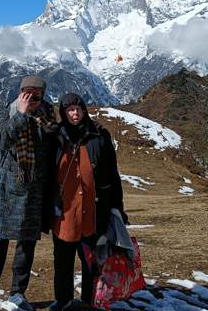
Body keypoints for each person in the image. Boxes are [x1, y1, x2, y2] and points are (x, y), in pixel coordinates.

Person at [0, 75, 58, 311]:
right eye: (28, 94)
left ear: (44, 95)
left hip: (35, 191)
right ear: (20, 93)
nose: (33, 100)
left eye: (37, 96)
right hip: (9, 190)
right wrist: (21, 114)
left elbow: (61, 139)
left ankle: (18, 293)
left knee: (26, 247)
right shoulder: (7, 114)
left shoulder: (48, 116)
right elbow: (1, 140)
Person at [49, 93, 127, 311]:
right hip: (64, 214)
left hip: (93, 214)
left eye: (78, 109)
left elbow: (113, 174)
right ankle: (62, 300)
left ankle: (89, 300)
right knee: (62, 262)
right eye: (70, 110)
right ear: (63, 113)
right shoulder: (55, 137)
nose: (75, 114)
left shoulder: (99, 135)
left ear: (84, 110)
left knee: (91, 262)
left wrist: (118, 208)